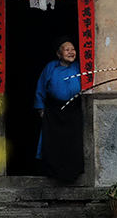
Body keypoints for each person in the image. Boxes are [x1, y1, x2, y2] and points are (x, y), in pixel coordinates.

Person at [33, 38, 84, 182]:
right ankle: (52, 173)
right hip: (54, 111)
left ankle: (73, 174)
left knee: (72, 143)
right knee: (53, 142)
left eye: (73, 49)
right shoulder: (50, 67)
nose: (71, 52)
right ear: (58, 53)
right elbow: (40, 88)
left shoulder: (79, 67)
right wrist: (40, 108)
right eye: (66, 49)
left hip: (74, 110)